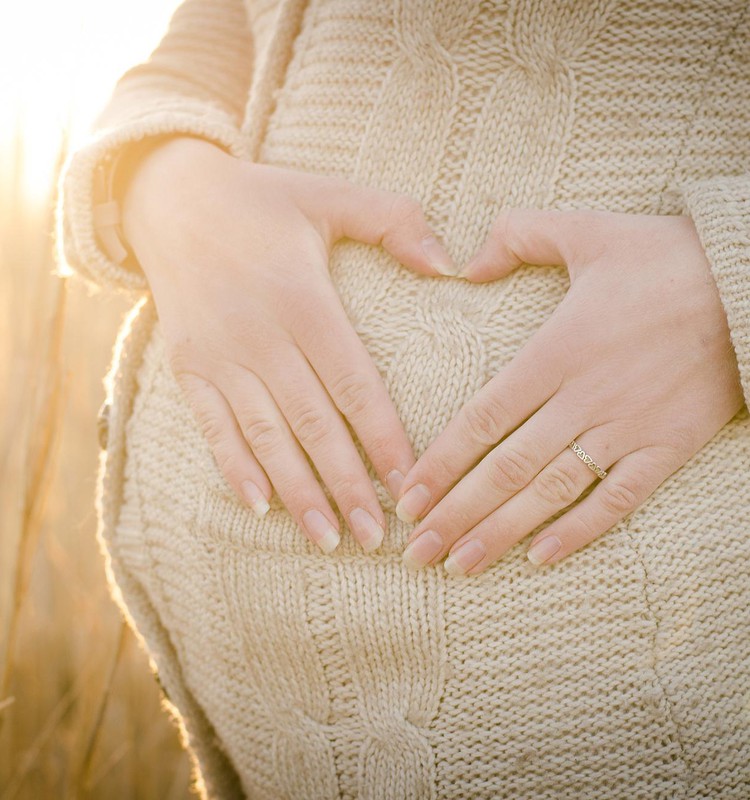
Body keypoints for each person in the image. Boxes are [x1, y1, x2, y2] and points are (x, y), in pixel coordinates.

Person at [57, 0, 750, 797]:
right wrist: (164, 180)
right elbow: (211, 32)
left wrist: (726, 282)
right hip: (260, 713)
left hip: (661, 693)